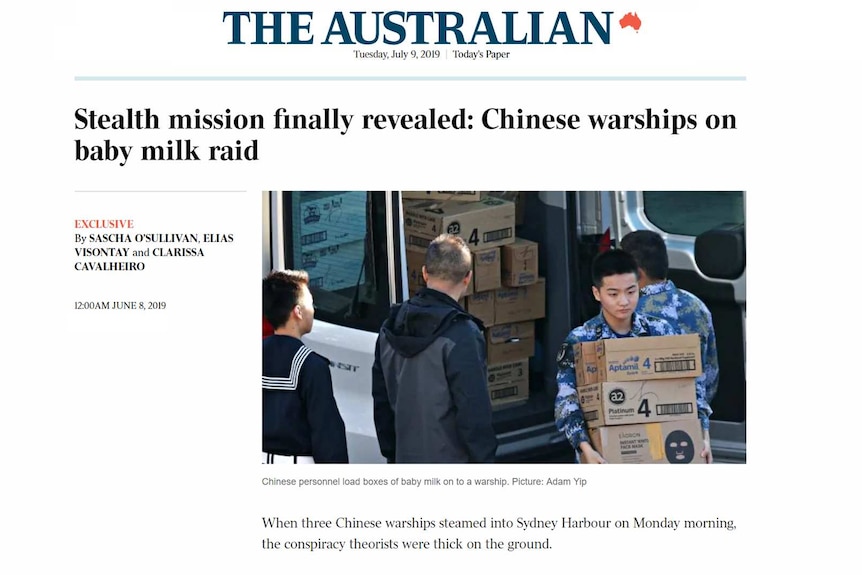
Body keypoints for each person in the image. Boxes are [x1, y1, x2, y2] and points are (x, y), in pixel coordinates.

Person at [372, 234, 497, 463]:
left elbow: (381, 405)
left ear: (424, 273)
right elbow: (473, 414)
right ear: (468, 278)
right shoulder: (462, 335)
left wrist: (393, 456)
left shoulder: (389, 327)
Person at [555, 249, 679, 464]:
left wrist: (702, 436)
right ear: (597, 293)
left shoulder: (660, 331)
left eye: (631, 292)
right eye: (613, 294)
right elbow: (567, 399)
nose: (624, 301)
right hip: (601, 452)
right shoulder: (580, 340)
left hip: (657, 447)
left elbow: (686, 387)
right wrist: (585, 448)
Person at [620, 230, 719, 463]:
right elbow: (711, 375)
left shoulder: (624, 314)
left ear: (637, 273)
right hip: (693, 426)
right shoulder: (697, 306)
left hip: (638, 430)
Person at [262, 270, 348, 464]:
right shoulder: (311, 365)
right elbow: (328, 439)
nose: (314, 309)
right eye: (310, 303)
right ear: (298, 312)